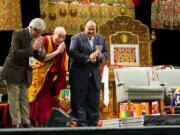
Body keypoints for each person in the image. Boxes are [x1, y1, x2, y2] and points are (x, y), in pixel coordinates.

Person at [0, 18, 46, 128]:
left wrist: (39, 51)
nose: (39, 35)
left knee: (25, 98)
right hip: (13, 71)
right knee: (14, 98)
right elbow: (16, 53)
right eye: (37, 32)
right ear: (31, 28)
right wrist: (33, 48)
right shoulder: (18, 34)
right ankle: (17, 123)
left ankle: (26, 121)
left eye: (41, 33)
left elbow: (41, 58)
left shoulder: (39, 37)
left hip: (26, 72)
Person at [69, 19, 108, 127]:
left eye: (93, 29)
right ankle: (81, 126)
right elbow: (72, 52)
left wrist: (100, 57)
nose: (91, 31)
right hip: (79, 76)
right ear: (84, 28)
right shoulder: (76, 38)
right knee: (79, 103)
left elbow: (106, 53)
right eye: (89, 29)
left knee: (94, 102)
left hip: (94, 76)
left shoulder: (100, 39)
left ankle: (93, 124)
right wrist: (88, 58)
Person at [28, 27, 68, 127]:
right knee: (40, 103)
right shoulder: (43, 40)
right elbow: (42, 58)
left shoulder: (62, 45)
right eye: (59, 36)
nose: (62, 39)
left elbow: (64, 61)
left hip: (53, 80)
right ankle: (39, 124)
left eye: (64, 37)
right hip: (41, 79)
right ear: (53, 33)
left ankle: (53, 124)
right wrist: (58, 51)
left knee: (53, 103)